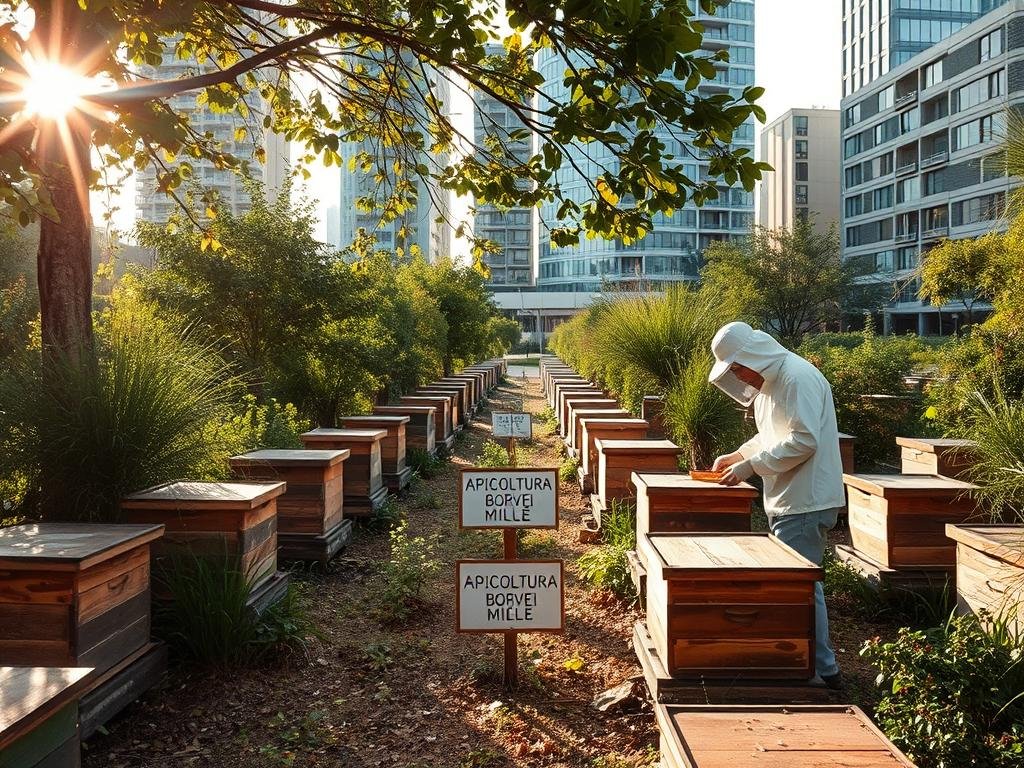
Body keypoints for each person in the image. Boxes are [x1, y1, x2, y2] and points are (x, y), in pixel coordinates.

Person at [707, 321, 845, 690]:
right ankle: (816, 666)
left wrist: (750, 467)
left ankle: (819, 670)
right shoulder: (773, 383)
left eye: (737, 368)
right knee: (798, 584)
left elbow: (803, 441)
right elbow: (770, 437)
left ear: (753, 356)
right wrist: (739, 454)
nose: (739, 376)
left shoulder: (797, 377)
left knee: (799, 587)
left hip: (804, 500)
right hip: (790, 499)